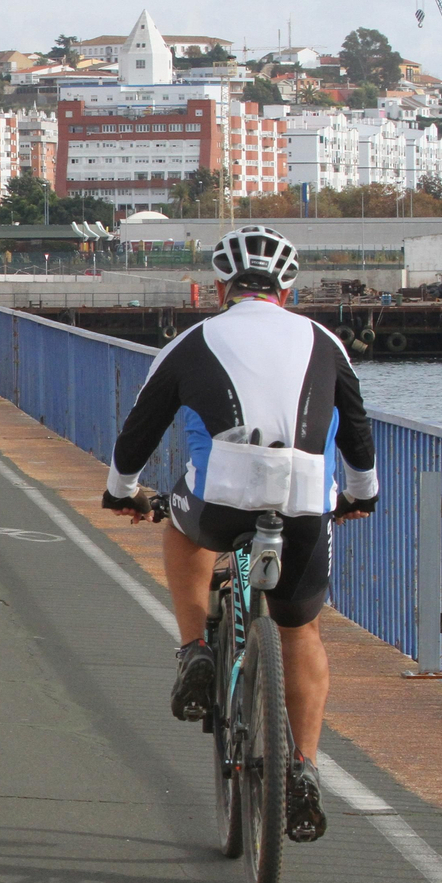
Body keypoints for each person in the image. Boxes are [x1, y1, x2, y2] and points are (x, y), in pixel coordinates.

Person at [100, 225, 378, 843]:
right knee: (300, 628)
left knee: (181, 526)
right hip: (305, 498)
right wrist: (362, 495)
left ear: (221, 286)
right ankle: (303, 769)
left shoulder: (195, 341)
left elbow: (139, 429)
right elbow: (357, 433)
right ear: (287, 287)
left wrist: (121, 491)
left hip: (222, 498)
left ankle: (196, 649)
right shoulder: (325, 341)